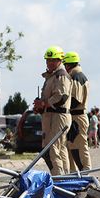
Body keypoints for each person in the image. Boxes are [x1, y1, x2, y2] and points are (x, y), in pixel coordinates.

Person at [34, 45, 72, 176]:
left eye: (53, 60)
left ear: (60, 60)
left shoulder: (61, 76)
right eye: (48, 60)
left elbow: (61, 97)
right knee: (58, 149)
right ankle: (64, 177)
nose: (50, 63)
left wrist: (44, 103)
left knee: (53, 149)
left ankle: (59, 179)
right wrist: (40, 106)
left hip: (58, 116)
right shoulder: (52, 76)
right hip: (52, 116)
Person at [63, 51, 92, 172]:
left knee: (79, 147)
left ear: (68, 65)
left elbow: (75, 100)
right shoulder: (78, 76)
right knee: (72, 146)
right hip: (77, 116)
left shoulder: (77, 77)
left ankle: (85, 173)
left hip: (77, 117)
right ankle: (76, 174)